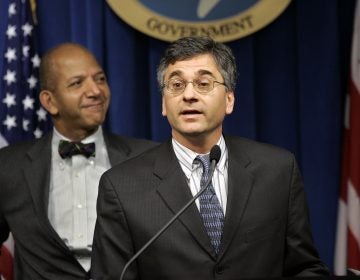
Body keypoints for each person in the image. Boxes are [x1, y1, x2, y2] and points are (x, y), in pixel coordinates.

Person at [91, 36, 329, 279]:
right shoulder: (121, 187)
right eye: (176, 85)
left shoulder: (277, 170)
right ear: (164, 103)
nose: (189, 95)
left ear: (229, 100)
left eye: (203, 83)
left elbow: (304, 267)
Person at [0, 43, 157, 279]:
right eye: (77, 83)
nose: (95, 91)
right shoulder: (8, 166)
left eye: (100, 79)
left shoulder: (149, 159)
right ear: (49, 101)